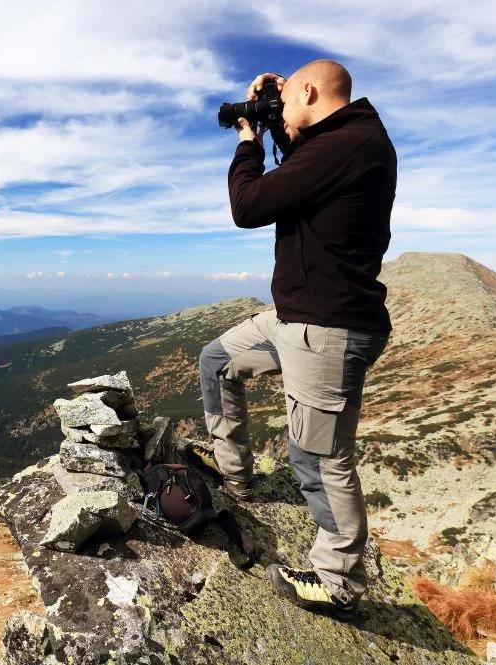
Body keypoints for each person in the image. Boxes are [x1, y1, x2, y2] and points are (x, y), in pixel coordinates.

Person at [195, 59, 396, 614]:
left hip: (327, 330)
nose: (278, 114)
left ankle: (340, 583)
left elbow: (250, 205)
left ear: (310, 90)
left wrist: (246, 141)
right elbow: (298, 167)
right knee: (216, 361)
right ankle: (235, 477)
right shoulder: (338, 143)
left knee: (316, 454)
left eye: (287, 102)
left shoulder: (353, 143)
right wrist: (278, 113)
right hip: (295, 319)